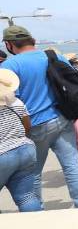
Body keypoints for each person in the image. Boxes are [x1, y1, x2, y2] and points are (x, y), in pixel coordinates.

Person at [1, 26, 78, 208]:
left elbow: (8, 100)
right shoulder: (53, 56)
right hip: (62, 118)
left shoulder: (9, 66)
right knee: (72, 165)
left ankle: (37, 210)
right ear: (31, 40)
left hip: (34, 124)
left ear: (9, 44)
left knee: (32, 173)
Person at [0, 69, 42, 212]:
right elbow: (27, 125)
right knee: (27, 197)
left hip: (1, 154)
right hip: (24, 149)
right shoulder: (16, 102)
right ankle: (39, 228)